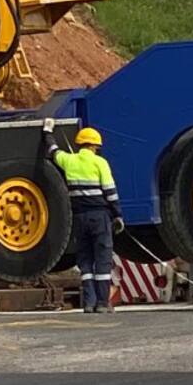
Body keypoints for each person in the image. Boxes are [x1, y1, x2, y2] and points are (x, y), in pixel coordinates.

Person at [43, 121, 124, 313]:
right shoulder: (100, 163)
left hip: (79, 218)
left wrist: (48, 132)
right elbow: (110, 192)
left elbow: (54, 151)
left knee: (85, 260)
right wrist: (118, 214)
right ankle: (103, 303)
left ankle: (89, 303)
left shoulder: (70, 161)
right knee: (102, 260)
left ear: (79, 144)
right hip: (99, 217)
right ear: (95, 146)